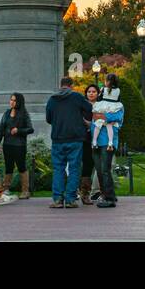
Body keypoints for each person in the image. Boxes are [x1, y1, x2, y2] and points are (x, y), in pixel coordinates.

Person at [45, 76, 91, 208]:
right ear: (71, 85)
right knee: (74, 168)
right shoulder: (77, 97)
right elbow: (89, 109)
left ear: (61, 85)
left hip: (58, 138)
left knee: (58, 169)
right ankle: (71, 199)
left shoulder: (52, 99)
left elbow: (48, 119)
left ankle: (58, 199)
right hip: (75, 138)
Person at [92, 75, 124, 208]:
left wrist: (103, 116)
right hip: (97, 141)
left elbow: (116, 118)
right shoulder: (99, 103)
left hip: (108, 143)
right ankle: (106, 194)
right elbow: (95, 116)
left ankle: (109, 198)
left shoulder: (118, 107)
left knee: (105, 169)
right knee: (99, 170)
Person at [0, 92, 34, 199]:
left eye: (14, 100)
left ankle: (25, 191)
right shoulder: (6, 113)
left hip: (19, 145)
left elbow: (30, 129)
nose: (12, 102)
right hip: (7, 145)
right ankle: (6, 189)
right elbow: (1, 130)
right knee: (8, 167)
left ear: (19, 102)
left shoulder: (24, 113)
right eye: (11, 99)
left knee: (21, 167)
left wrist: (18, 130)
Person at [78, 84, 101, 204]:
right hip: (84, 138)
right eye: (89, 92)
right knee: (86, 165)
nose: (91, 93)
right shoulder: (82, 106)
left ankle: (98, 191)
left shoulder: (101, 106)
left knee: (95, 165)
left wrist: (92, 124)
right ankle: (84, 193)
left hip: (98, 139)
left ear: (98, 93)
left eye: (94, 91)